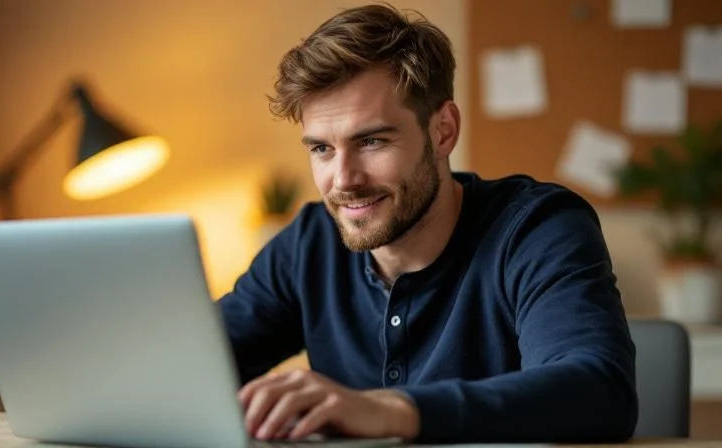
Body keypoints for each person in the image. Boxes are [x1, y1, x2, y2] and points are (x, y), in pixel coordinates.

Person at [218, 3, 638, 444]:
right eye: (321, 149)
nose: (343, 180)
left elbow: (599, 390)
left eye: (372, 140)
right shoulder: (309, 244)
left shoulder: (537, 229)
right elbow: (183, 367)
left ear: (443, 131)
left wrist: (395, 410)